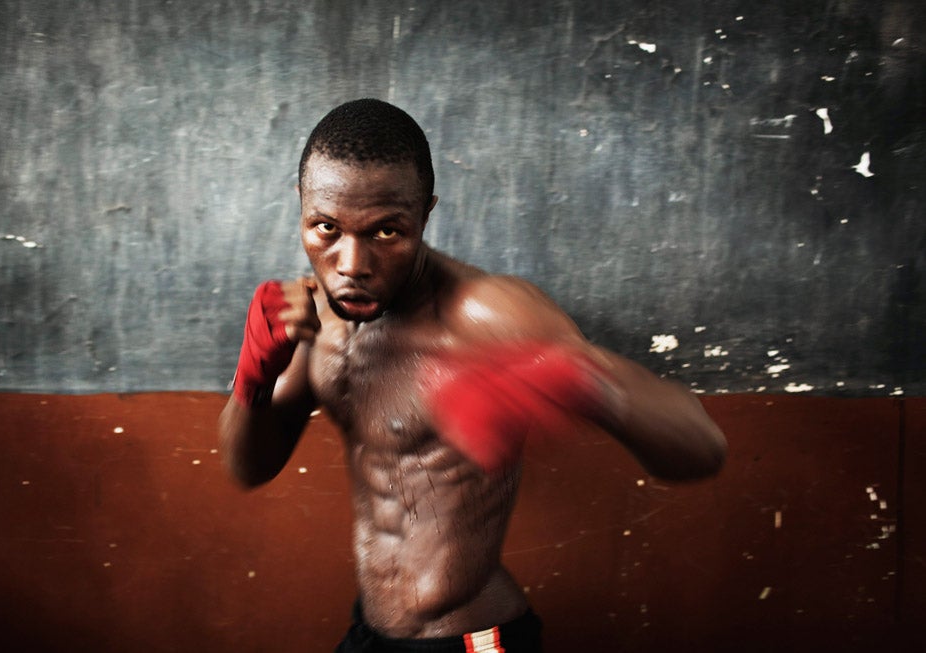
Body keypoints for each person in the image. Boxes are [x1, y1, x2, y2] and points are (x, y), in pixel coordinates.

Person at [218, 98, 727, 652]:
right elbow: (250, 469)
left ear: (425, 213)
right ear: (302, 206)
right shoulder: (312, 315)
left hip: (471, 639)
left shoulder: (485, 314)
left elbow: (703, 449)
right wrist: (253, 378)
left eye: (387, 232)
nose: (352, 263)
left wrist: (583, 379)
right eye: (326, 229)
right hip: (370, 632)